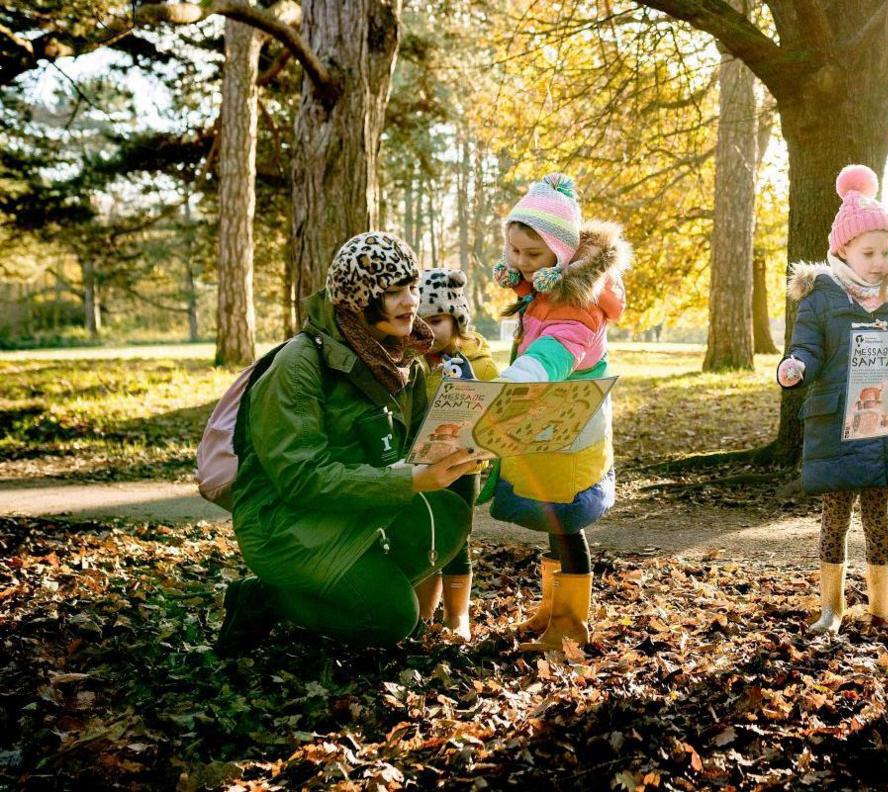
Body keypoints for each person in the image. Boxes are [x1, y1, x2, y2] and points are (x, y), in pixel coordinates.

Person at [216, 232, 481, 655]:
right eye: (394, 293)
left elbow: (409, 448)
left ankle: (359, 586)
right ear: (358, 300)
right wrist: (408, 481)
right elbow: (300, 479)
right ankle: (267, 597)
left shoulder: (399, 356)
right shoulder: (298, 364)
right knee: (393, 617)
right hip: (284, 525)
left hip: (353, 508)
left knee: (451, 504)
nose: (411, 303)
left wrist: (470, 445)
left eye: (412, 288)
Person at [777, 164, 888, 634]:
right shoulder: (821, 298)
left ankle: (884, 606)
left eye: (886, 251)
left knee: (879, 517)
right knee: (835, 519)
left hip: (884, 424)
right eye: (869, 252)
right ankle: (831, 607)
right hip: (838, 424)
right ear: (843, 250)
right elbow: (809, 348)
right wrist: (795, 365)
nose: (880, 261)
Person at [489, 173, 630, 652]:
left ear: (561, 253)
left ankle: (571, 625)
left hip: (571, 418)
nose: (521, 263)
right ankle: (553, 610)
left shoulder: (578, 297)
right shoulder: (545, 287)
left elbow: (560, 346)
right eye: (514, 252)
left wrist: (522, 375)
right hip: (550, 414)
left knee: (568, 518)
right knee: (552, 512)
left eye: (533, 255)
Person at [412, 267, 498, 639]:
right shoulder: (411, 364)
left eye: (436, 321)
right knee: (423, 537)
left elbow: (497, 410)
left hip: (463, 468)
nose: (428, 332)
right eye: (419, 323)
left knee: (456, 541)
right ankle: (421, 612)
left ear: (456, 318)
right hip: (419, 468)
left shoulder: (477, 362)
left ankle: (457, 616)